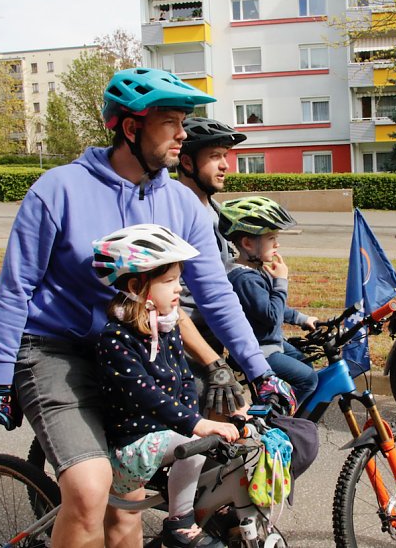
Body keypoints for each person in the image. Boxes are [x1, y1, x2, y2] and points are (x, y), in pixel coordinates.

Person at [0, 67, 295, 547]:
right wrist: (1, 375)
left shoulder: (183, 205)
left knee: (127, 504)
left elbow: (215, 293)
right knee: (89, 491)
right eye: (171, 122)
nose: (183, 135)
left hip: (134, 351)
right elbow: (14, 286)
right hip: (57, 351)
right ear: (131, 128)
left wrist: (260, 371)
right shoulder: (59, 190)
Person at [92, 224, 237, 548]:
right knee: (200, 440)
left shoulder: (165, 323)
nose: (178, 288)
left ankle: (181, 518)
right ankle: (180, 520)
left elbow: (183, 376)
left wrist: (191, 415)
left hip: (162, 433)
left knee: (202, 443)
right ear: (136, 286)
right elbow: (146, 394)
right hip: (133, 442)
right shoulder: (116, 338)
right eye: (169, 281)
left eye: (179, 279)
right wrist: (195, 423)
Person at [219, 196, 320, 407]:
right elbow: (272, 316)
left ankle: (277, 403)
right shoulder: (245, 279)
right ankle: (277, 422)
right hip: (259, 350)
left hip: (271, 343)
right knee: (308, 380)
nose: (277, 244)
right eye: (271, 238)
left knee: (306, 366)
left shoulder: (254, 270)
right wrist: (281, 281)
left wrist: (302, 318)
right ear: (247, 243)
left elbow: (273, 306)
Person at [175, 118, 247, 411]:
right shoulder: (175, 212)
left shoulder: (216, 211)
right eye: (215, 156)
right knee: (215, 429)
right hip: (185, 344)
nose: (225, 165)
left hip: (213, 333)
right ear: (187, 162)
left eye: (225, 156)